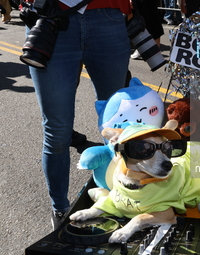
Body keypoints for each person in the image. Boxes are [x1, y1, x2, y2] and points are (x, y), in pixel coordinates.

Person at [24, 0, 131, 229]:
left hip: (108, 17)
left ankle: (120, 200)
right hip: (51, 17)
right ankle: (61, 210)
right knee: (57, 131)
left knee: (118, 127)